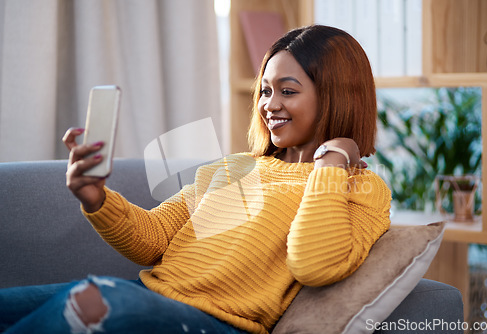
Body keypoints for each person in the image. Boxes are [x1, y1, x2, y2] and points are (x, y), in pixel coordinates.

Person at [0, 25, 391, 334]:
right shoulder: (235, 166)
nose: (269, 105)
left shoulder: (359, 188)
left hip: (216, 322)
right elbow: (153, 238)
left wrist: (332, 160)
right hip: (146, 296)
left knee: (94, 297)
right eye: (266, 91)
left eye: (287, 91)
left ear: (337, 96)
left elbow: (315, 266)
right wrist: (96, 198)